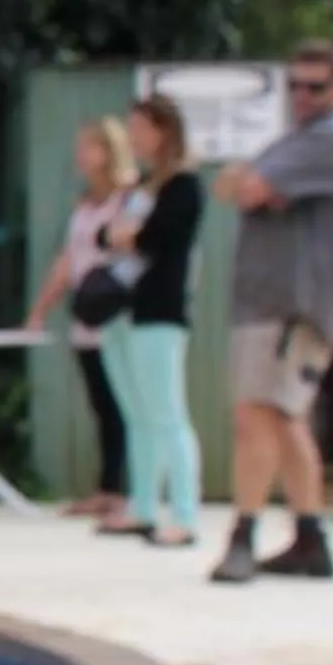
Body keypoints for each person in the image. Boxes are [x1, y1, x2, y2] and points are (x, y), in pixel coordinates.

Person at [209, 40, 333, 584]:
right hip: (272, 301)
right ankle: (310, 536)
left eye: (315, 87)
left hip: (290, 303)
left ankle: (242, 537)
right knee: (284, 417)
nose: (303, 96)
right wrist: (248, 184)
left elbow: (246, 186)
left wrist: (253, 184)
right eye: (295, 86)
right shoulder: (301, 138)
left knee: (256, 414)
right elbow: (231, 185)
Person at [97, 97, 205, 548]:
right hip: (121, 307)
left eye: (140, 129)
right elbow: (105, 234)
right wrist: (123, 235)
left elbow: (164, 237)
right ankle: (143, 506)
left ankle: (184, 513)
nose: (134, 138)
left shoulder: (184, 185)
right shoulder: (139, 185)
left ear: (163, 131)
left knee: (167, 413)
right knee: (136, 414)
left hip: (158, 310)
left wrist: (132, 236)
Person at [25, 118, 135, 518]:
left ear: (109, 151)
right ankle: (106, 488)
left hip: (120, 316)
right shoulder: (84, 205)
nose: (81, 156)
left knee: (126, 405)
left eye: (88, 147)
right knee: (102, 406)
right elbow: (68, 261)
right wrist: (39, 310)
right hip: (87, 315)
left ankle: (127, 492)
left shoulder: (127, 199)